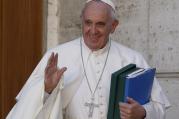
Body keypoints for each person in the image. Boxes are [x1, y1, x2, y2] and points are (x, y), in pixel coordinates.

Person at [6, 0, 170, 119]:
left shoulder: (132, 59)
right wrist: (46, 89)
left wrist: (142, 112)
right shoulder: (58, 55)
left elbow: (159, 107)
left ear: (113, 26)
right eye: (88, 23)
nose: (93, 31)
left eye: (100, 24)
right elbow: (25, 108)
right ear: (82, 22)